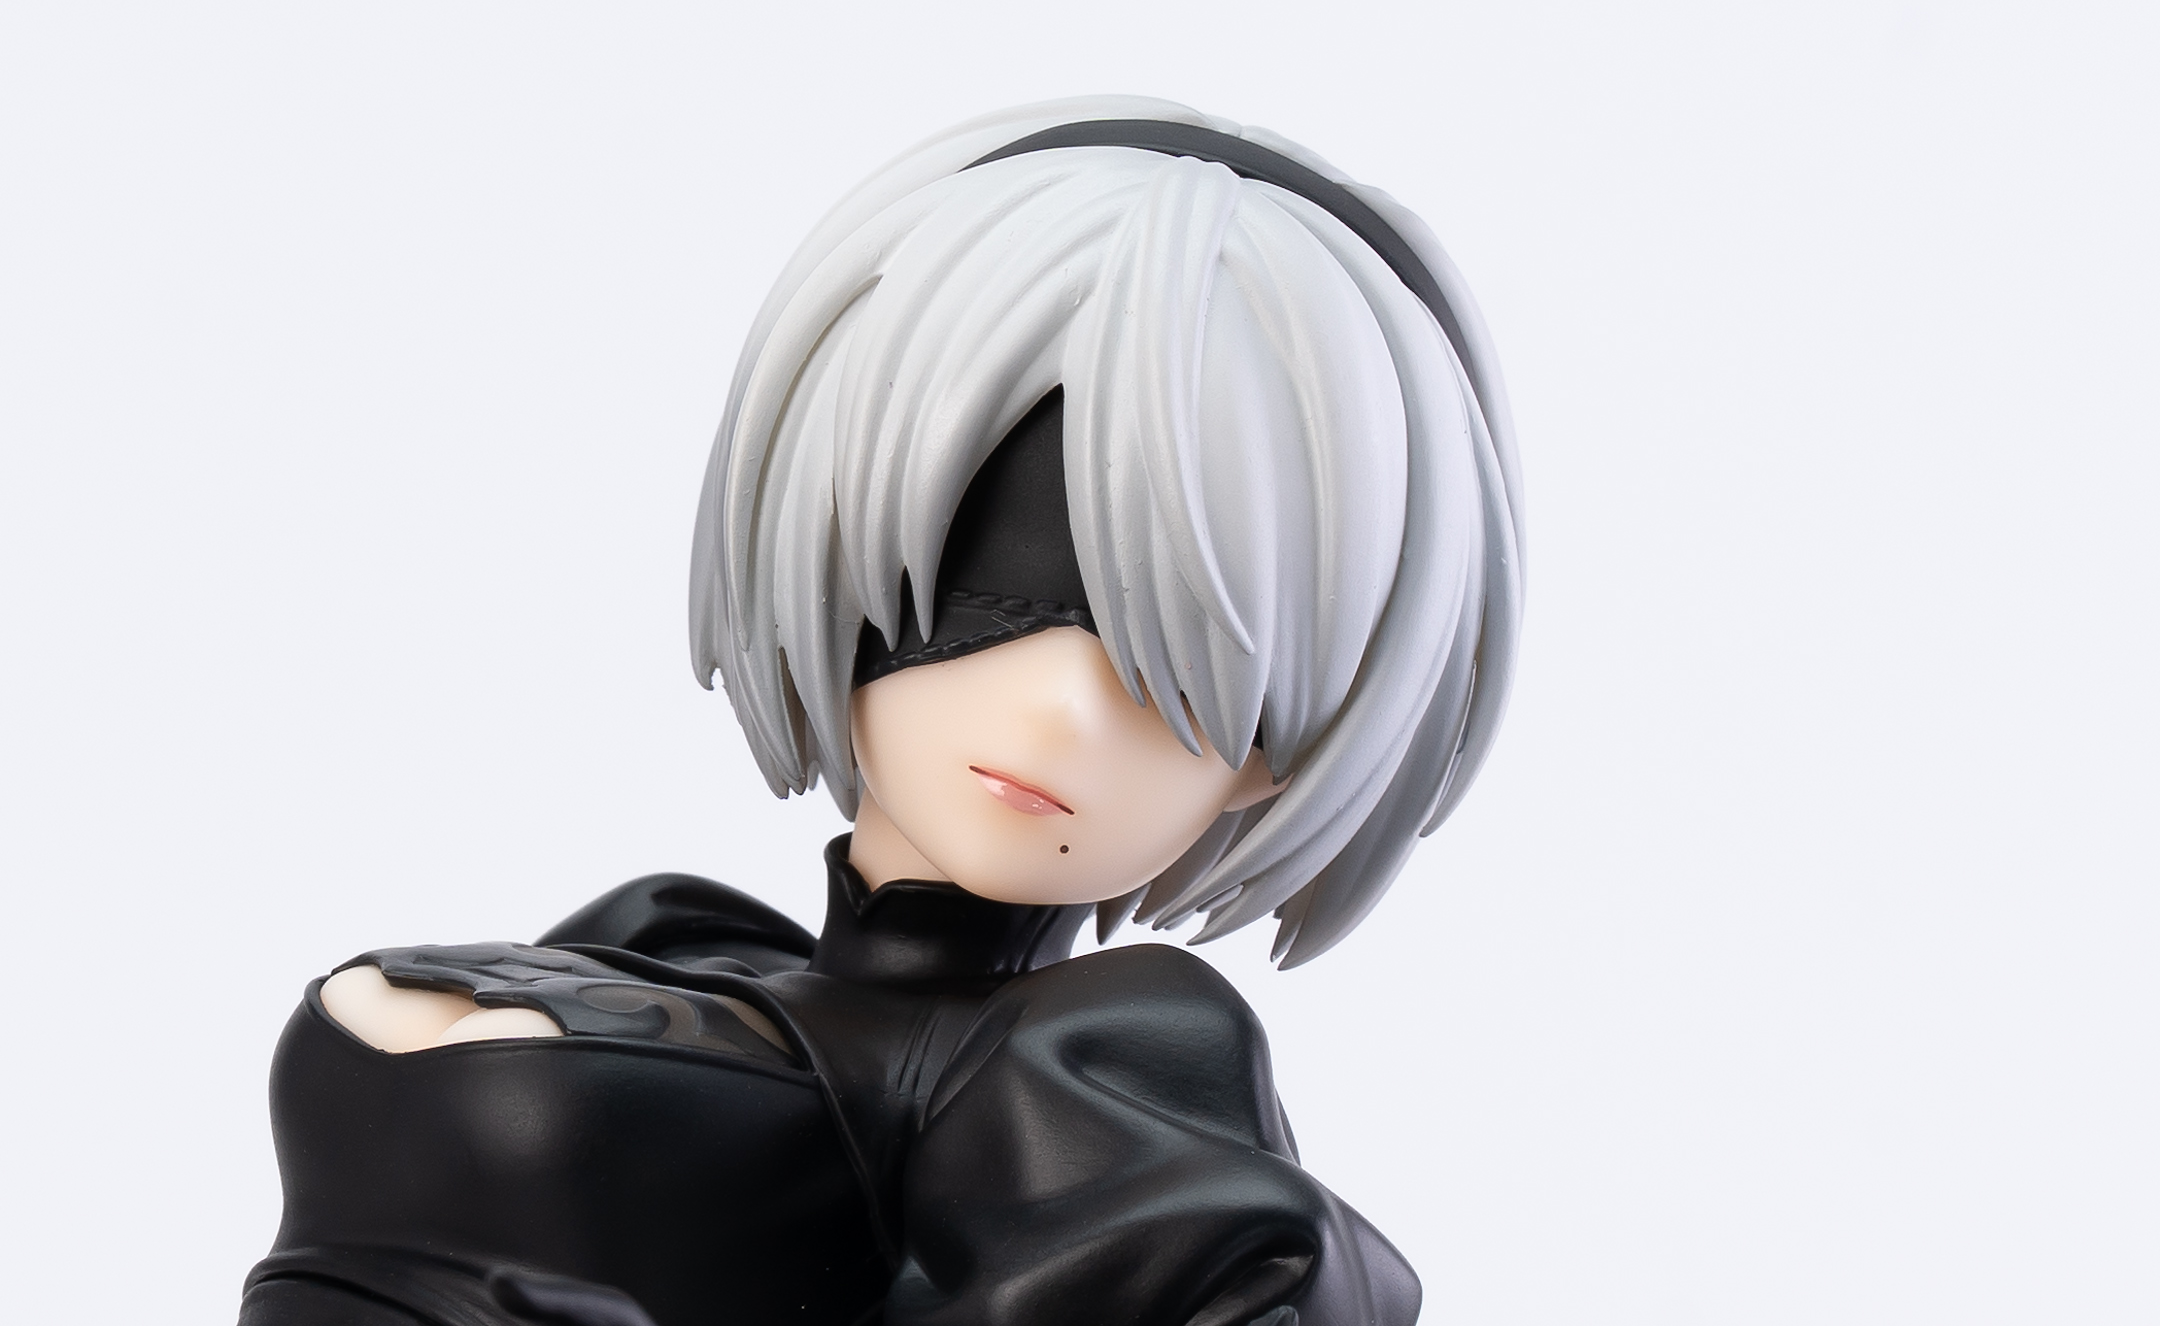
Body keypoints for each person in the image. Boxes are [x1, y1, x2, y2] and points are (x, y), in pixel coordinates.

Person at [237, 98, 1524, 1326]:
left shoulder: (1102, 1082)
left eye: (1193, 678)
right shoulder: (665, 938)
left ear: (1282, 752)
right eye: (983, 577)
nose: (1060, 710)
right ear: (834, 539)